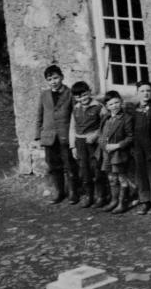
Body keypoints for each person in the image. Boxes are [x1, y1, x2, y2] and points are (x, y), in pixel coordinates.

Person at [34, 65, 76, 204]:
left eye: (56, 78)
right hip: (49, 136)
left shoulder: (70, 94)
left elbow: (75, 115)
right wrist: (38, 135)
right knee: (53, 165)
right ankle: (59, 192)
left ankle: (73, 192)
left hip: (65, 135)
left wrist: (74, 136)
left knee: (69, 164)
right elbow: (40, 115)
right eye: (50, 79)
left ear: (62, 77)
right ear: (47, 81)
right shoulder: (44, 95)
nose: (53, 81)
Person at [130, 81, 151, 215]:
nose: (145, 93)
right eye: (142, 91)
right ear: (138, 93)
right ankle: (145, 201)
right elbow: (130, 128)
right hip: (138, 147)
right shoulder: (134, 109)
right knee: (141, 174)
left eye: (148, 91)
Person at [98, 91, 135, 214]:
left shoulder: (126, 118)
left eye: (117, 102)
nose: (114, 106)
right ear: (107, 106)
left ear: (121, 102)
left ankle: (122, 203)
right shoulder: (106, 118)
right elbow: (102, 133)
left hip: (119, 154)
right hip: (107, 154)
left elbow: (130, 137)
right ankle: (113, 201)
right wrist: (102, 145)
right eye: (111, 104)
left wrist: (117, 145)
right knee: (111, 178)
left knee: (121, 178)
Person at [69, 81, 104, 209]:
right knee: (84, 170)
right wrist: (73, 146)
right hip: (80, 143)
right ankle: (89, 196)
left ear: (89, 92)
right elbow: (72, 128)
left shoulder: (99, 107)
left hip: (94, 143)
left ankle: (100, 196)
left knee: (97, 168)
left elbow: (106, 125)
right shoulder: (76, 109)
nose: (82, 99)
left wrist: (96, 135)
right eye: (78, 97)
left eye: (84, 95)